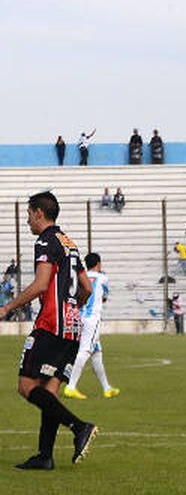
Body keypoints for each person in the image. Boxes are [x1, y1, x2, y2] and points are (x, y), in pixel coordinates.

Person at [1, 192, 97, 470]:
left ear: (39, 213)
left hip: (50, 323)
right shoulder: (69, 242)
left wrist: (8, 308)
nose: (28, 219)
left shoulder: (45, 240)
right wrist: (71, 308)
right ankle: (45, 456)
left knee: (26, 386)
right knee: (48, 391)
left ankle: (79, 427)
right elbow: (87, 288)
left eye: (29, 214)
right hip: (72, 326)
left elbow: (42, 284)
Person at [63, 252, 119, 400]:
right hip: (92, 319)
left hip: (79, 316)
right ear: (98, 264)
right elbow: (104, 297)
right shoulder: (103, 278)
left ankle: (107, 388)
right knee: (85, 351)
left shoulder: (81, 276)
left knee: (96, 353)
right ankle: (71, 386)